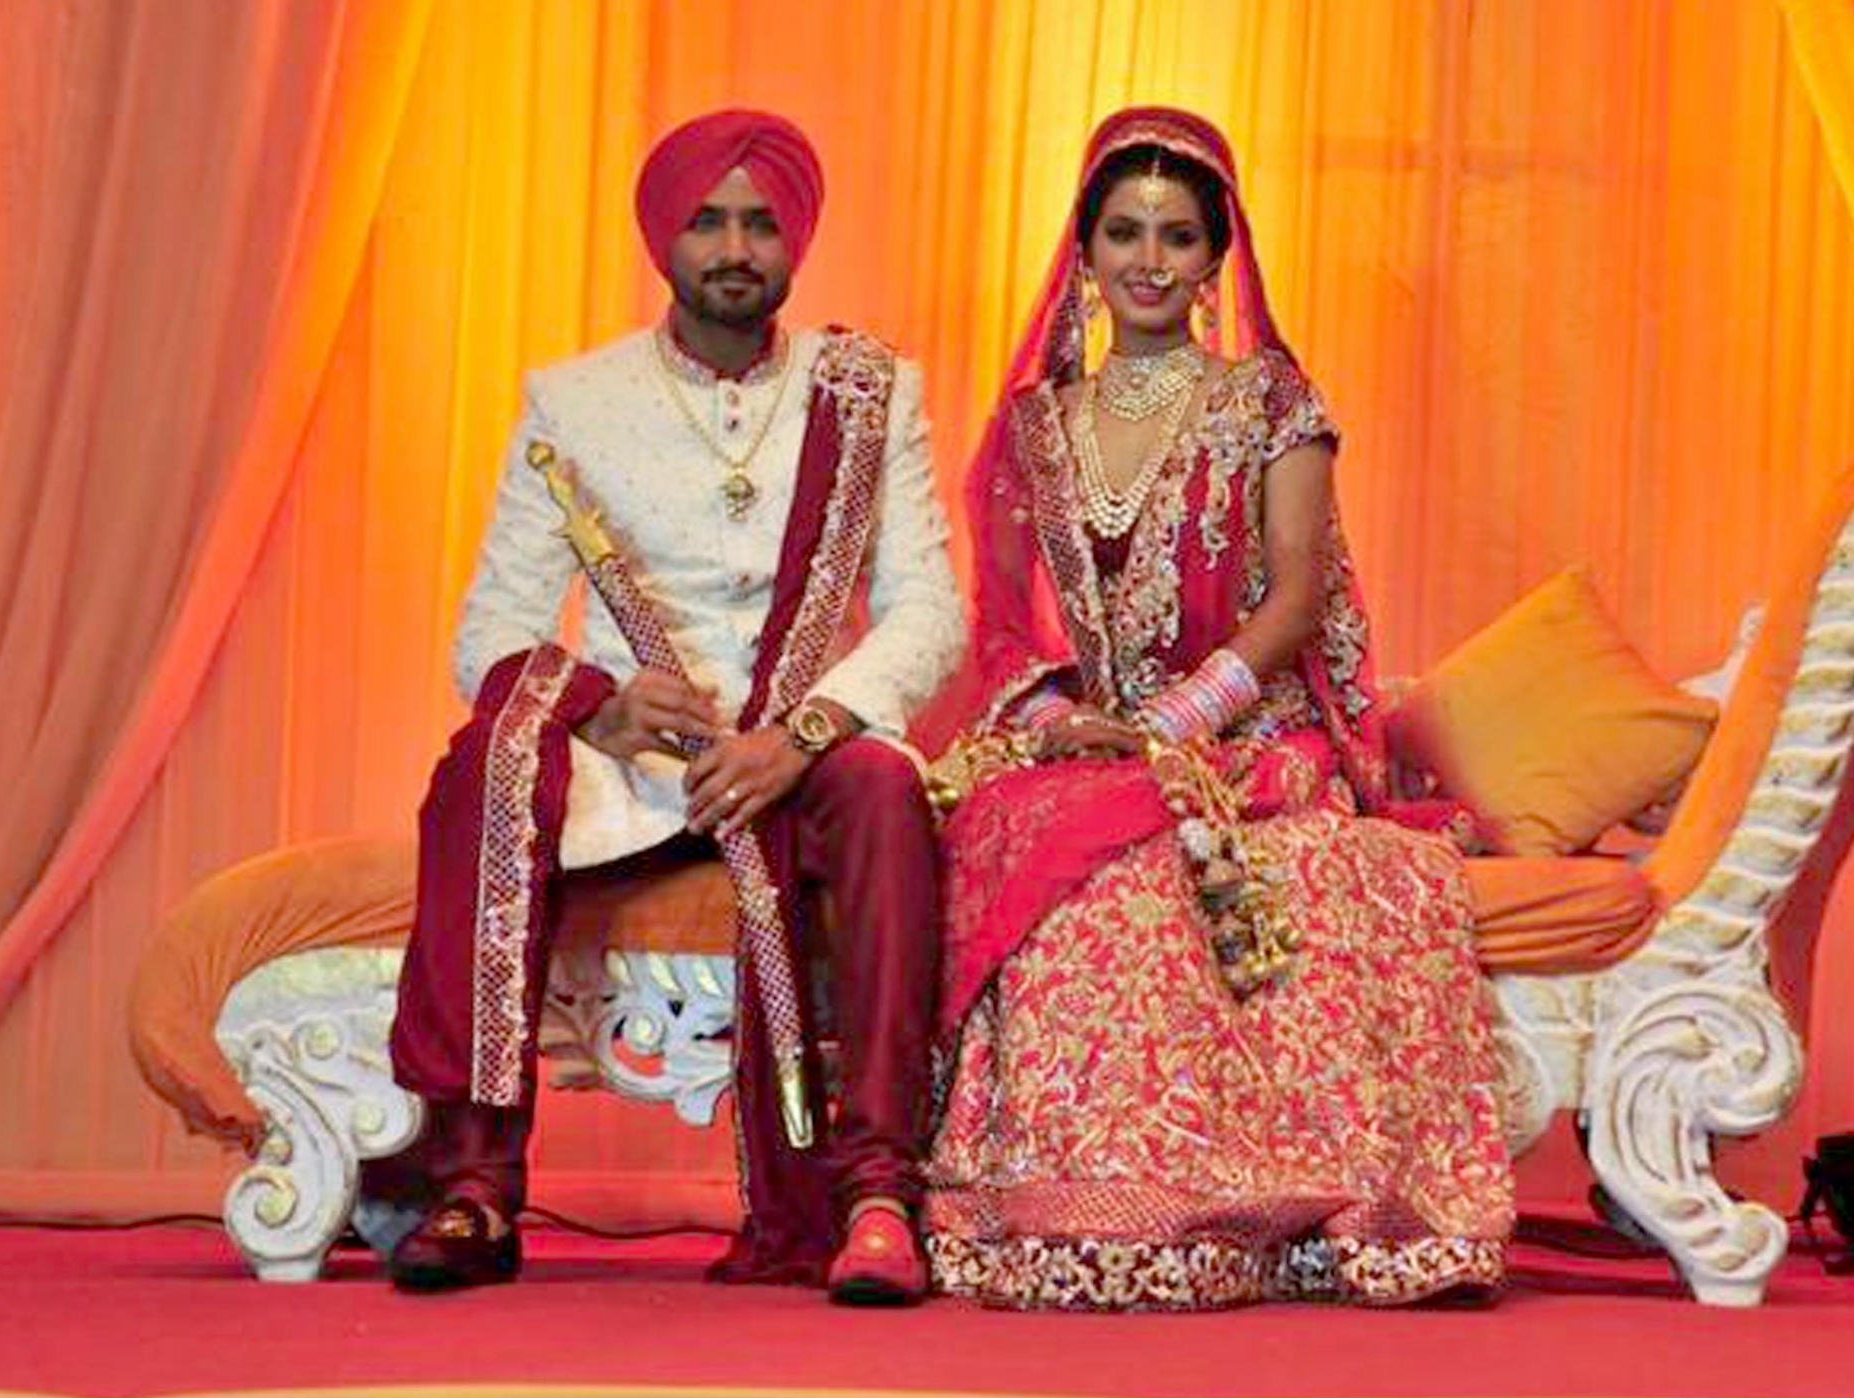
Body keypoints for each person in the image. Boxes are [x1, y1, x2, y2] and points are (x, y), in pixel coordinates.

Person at [922, 107, 1514, 1310]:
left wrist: (1171, 723)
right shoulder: (1036, 426)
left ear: (1215, 256)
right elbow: (996, 619)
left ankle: (1234, 1207)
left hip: (1242, 731)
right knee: (1008, 826)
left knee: (1139, 870)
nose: (1149, 259)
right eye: (1124, 232)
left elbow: (1297, 595)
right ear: (1080, 253)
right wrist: (1052, 720)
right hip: (1086, 737)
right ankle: (1046, 1194)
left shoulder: (1269, 400)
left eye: (1178, 236)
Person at [385, 110, 963, 1304]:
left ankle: (873, 1194)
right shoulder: (573, 400)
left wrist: (800, 733)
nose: (735, 246)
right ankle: (479, 1181)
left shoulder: (867, 393)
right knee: (483, 760)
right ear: (664, 236)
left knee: (891, 784)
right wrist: (596, 705)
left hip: (798, 752)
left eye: (760, 221)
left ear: (794, 239)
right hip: (631, 770)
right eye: (708, 220)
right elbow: (487, 632)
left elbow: (928, 615)